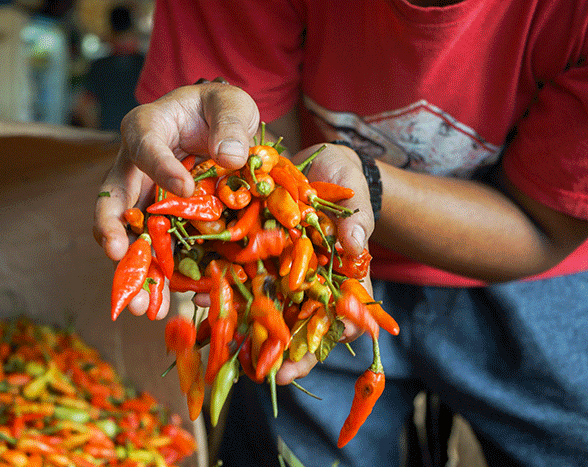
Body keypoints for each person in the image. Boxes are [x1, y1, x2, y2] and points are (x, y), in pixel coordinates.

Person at [93, 1, 588, 466]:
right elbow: (264, 166)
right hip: (317, 272)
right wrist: (221, 146)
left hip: (526, 269)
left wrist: (366, 184)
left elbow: (543, 228)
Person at [71, 4, 144, 130]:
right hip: (140, 138)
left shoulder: (99, 66)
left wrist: (97, 135)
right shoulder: (146, 64)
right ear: (134, 29)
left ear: (110, 30)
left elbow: (85, 107)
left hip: (108, 139)